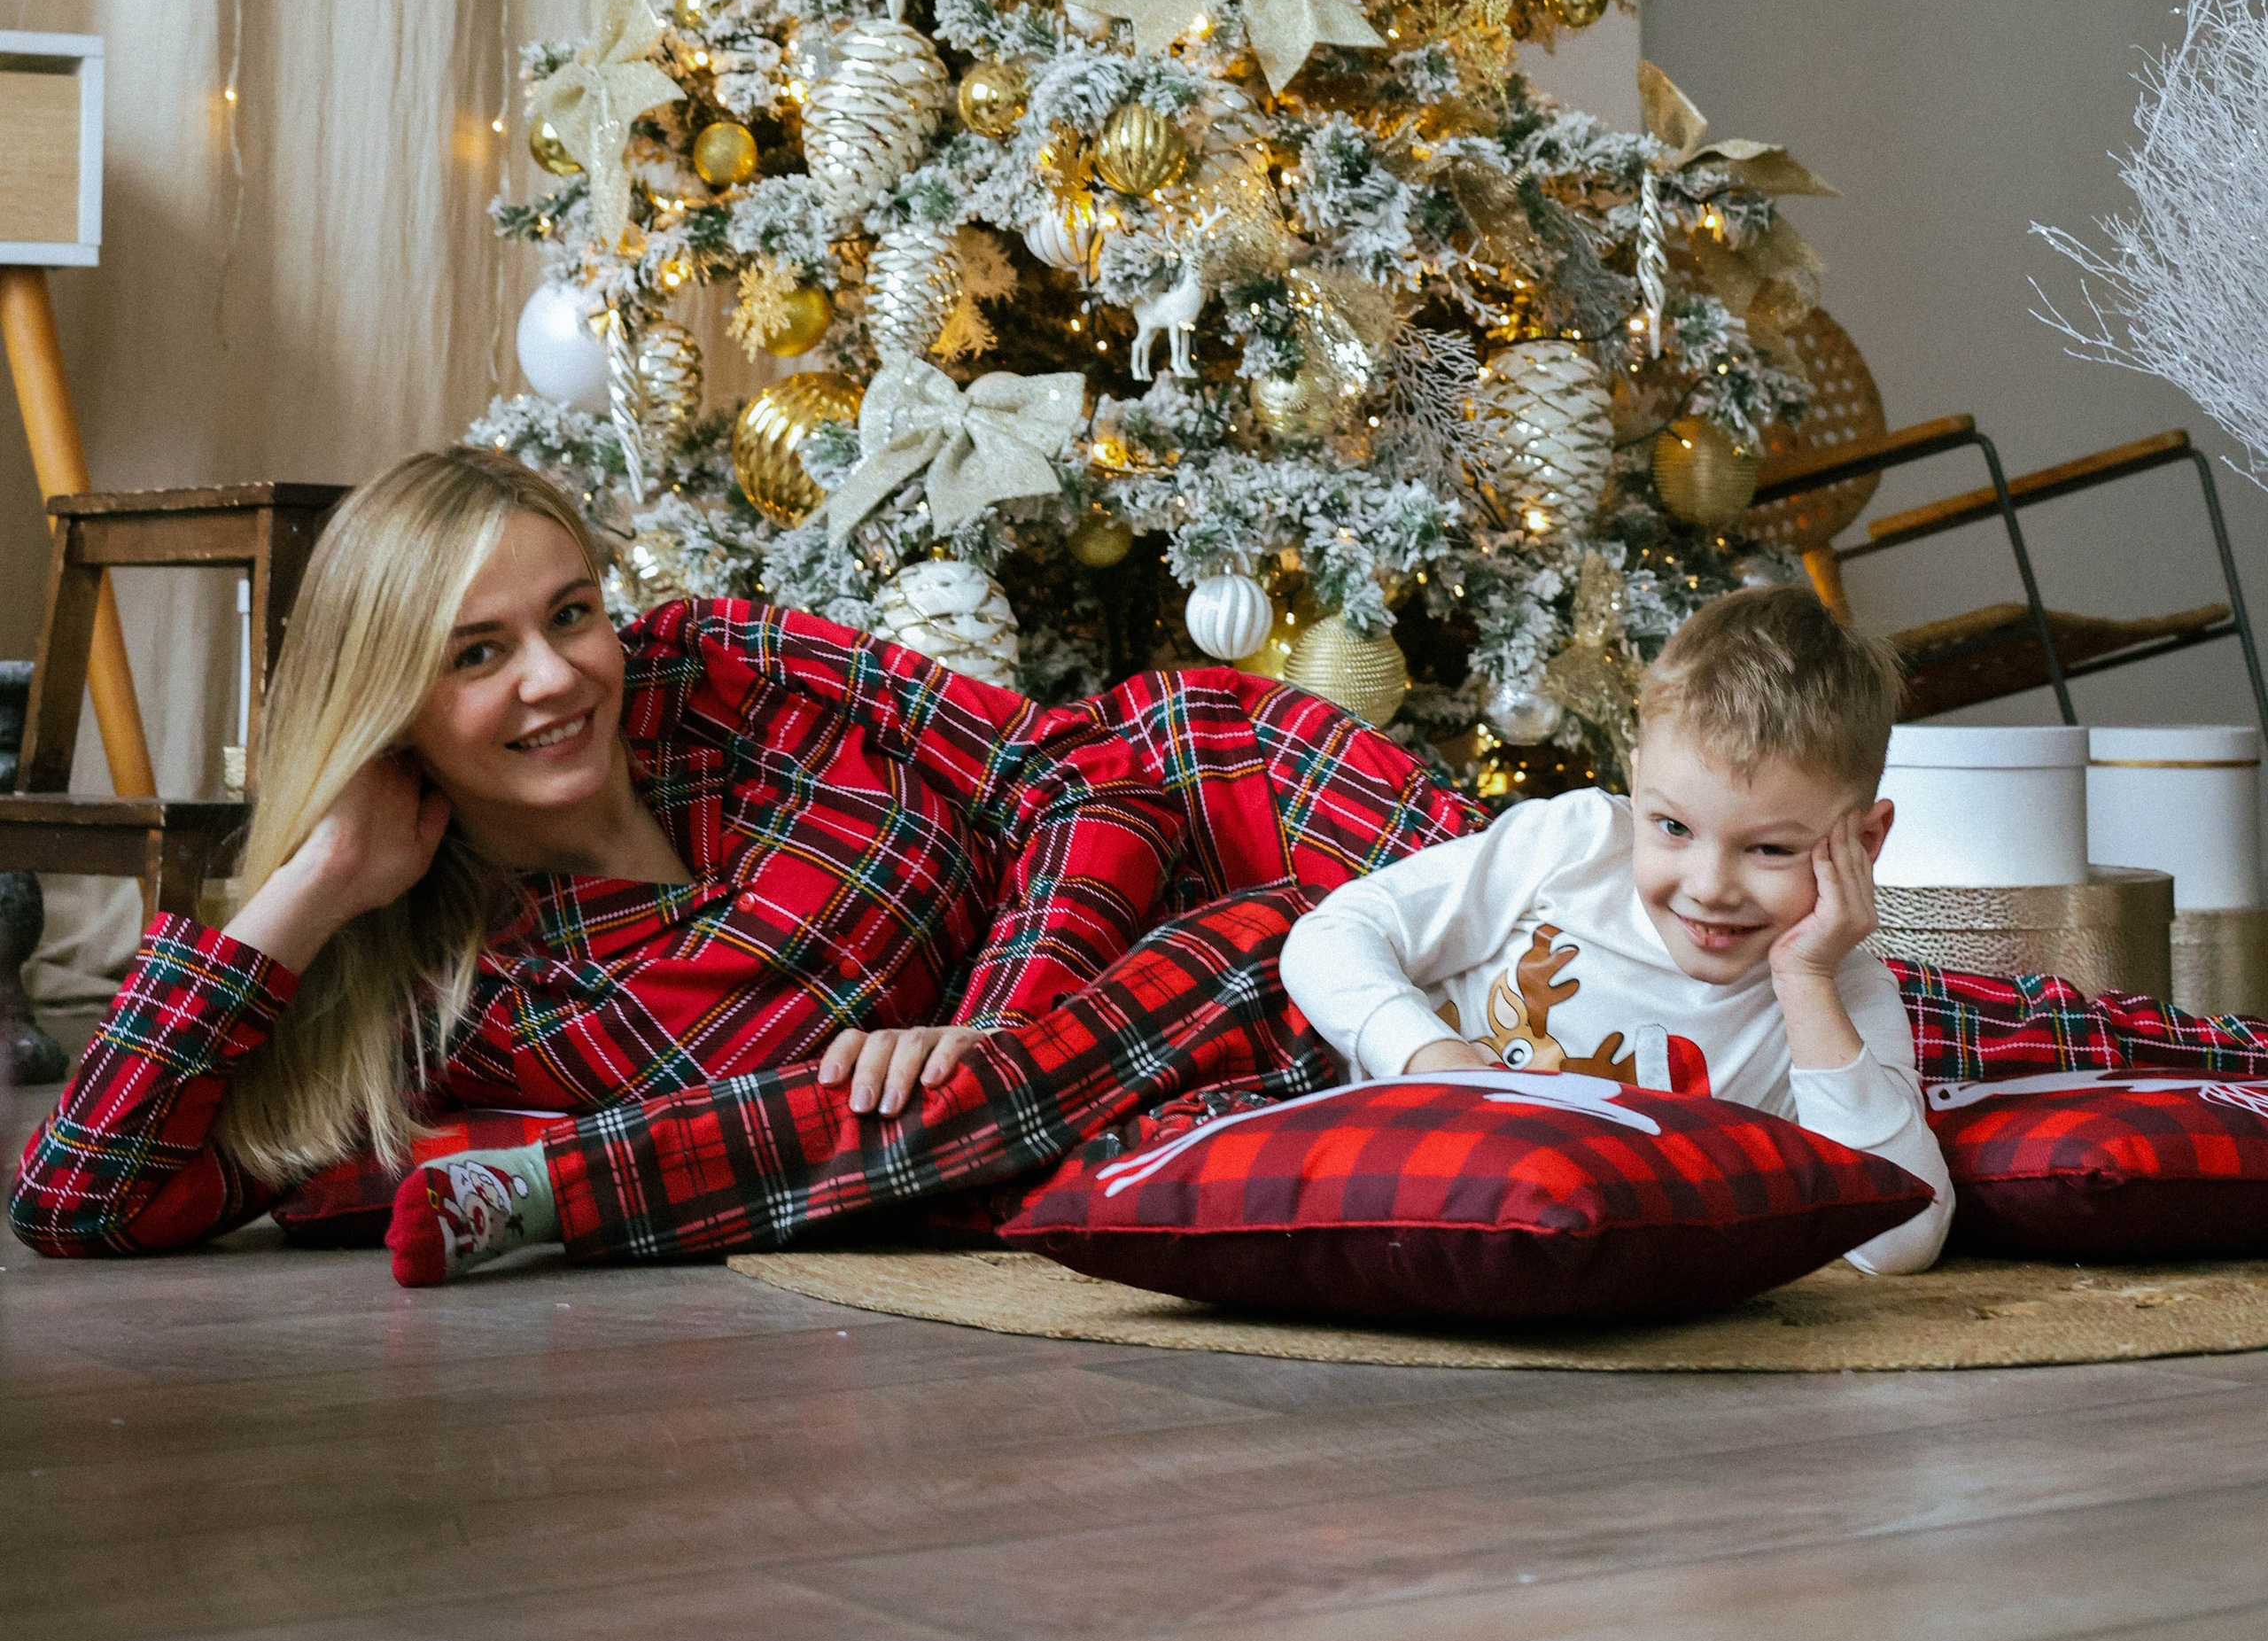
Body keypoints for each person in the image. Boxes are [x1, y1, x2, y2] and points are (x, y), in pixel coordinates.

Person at [11, 447, 1470, 1280]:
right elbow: (82, 1201)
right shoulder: (448, 1001)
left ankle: (589, 1193)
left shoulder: (721, 662)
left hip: (1200, 838)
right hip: (1125, 1066)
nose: (555, 678)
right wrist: (314, 879)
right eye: (475, 655)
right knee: (1273, 1015)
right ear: (391, 707)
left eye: (569, 613)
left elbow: (1083, 782)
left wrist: (997, 1020)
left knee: (1511, 920)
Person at [1282, 584, 1955, 1273]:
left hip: (1545, 1241)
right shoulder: (1574, 848)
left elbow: (1900, 1239)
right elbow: (1328, 938)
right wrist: (1431, 1060)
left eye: (1770, 850)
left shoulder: (1841, 998)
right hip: (1364, 1137)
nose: (1709, 887)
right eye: (1672, 827)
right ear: (1636, 786)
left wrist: (1806, 980)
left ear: (1864, 843)